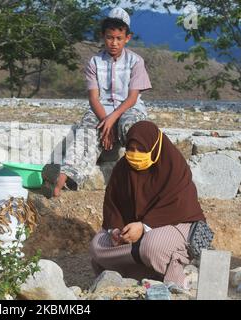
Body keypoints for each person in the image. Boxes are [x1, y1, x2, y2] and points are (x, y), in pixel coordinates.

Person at [42, 7, 152, 198]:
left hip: (129, 108)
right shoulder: (94, 62)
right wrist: (105, 122)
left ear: (127, 38)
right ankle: (63, 178)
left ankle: (144, 177)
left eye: (119, 38)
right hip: (101, 109)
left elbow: (132, 98)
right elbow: (93, 97)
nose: (114, 43)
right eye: (110, 37)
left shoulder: (136, 61)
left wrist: (111, 121)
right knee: (86, 128)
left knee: (132, 127)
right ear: (103, 36)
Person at [90, 121, 206, 290]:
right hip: (134, 233)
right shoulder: (123, 169)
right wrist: (115, 230)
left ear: (155, 147)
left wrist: (144, 227)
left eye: (142, 149)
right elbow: (112, 204)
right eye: (131, 148)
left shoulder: (173, 166)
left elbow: (176, 206)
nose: (135, 154)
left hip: (178, 224)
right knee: (97, 246)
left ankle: (178, 276)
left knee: (152, 245)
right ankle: (144, 268)